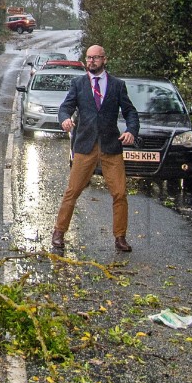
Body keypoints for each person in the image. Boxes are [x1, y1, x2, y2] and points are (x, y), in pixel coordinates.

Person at [51, 45, 139, 252]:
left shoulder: (117, 85)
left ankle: (120, 237)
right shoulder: (78, 83)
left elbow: (130, 112)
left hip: (111, 145)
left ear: (104, 59)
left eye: (96, 58)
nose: (91, 62)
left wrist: (131, 131)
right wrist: (64, 119)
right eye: (88, 58)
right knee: (72, 191)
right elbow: (65, 107)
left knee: (119, 193)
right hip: (85, 145)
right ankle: (58, 232)